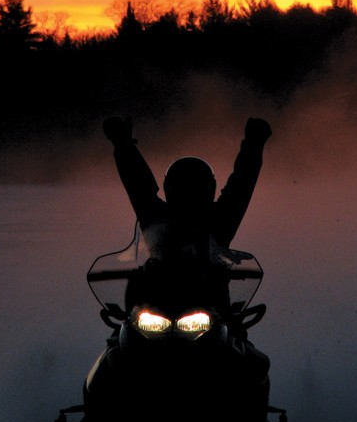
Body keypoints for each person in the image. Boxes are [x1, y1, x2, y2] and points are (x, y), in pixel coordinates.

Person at [102, 115, 272, 316]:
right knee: (124, 331)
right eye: (183, 187)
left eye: (195, 187)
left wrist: (253, 146)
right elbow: (137, 181)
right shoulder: (162, 217)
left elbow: (241, 184)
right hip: (156, 305)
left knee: (235, 334)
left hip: (210, 308)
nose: (189, 194)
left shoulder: (215, 219)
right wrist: (123, 145)